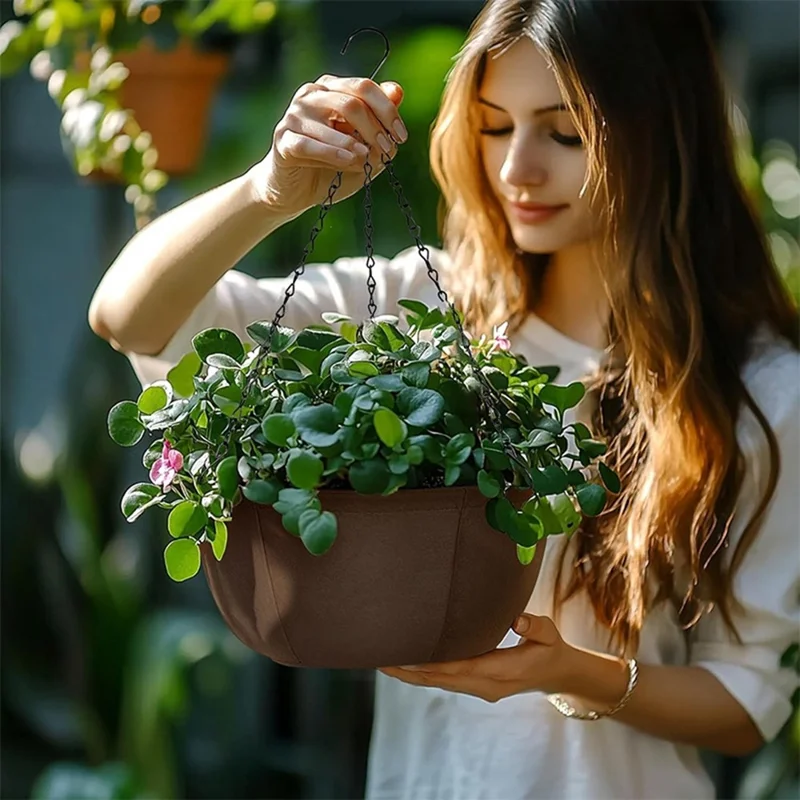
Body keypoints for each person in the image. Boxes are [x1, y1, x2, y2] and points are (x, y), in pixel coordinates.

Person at [89, 0, 799, 797]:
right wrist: (272, 188)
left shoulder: (763, 389)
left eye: (565, 134)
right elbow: (129, 316)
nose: (517, 170)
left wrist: (568, 673)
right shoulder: (417, 321)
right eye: (495, 126)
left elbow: (747, 701)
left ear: (667, 138)